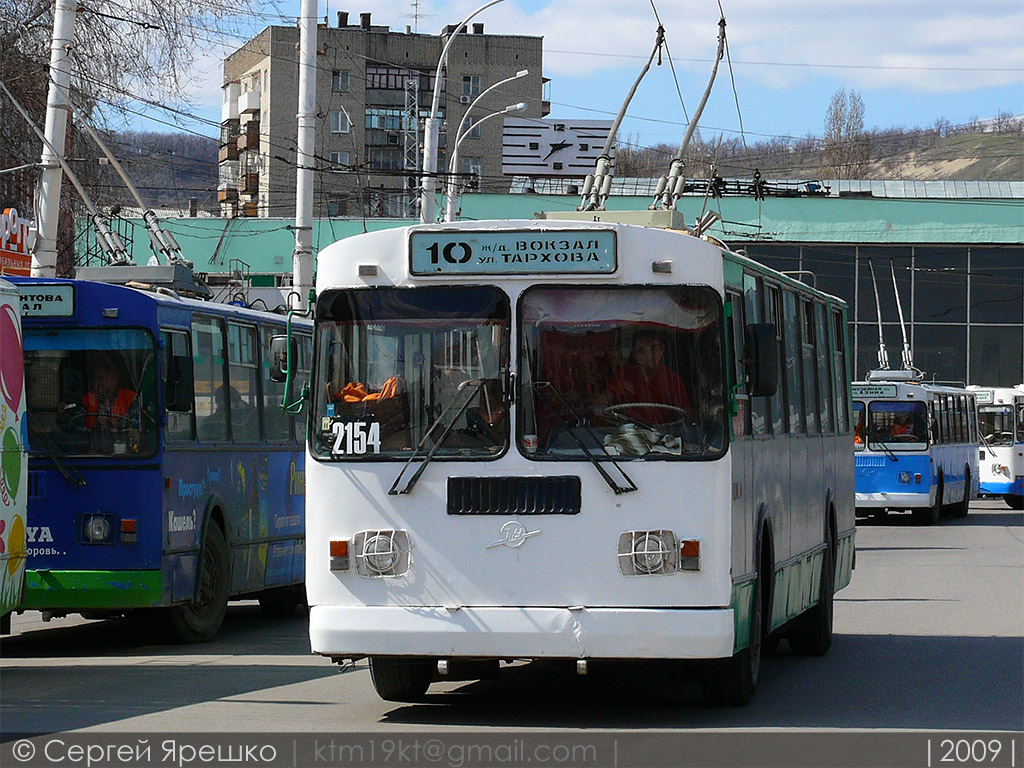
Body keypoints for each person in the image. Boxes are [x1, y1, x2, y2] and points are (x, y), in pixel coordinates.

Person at [601, 331, 691, 426]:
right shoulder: (623, 375)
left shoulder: (671, 378)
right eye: (641, 350)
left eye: (653, 348)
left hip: (665, 435)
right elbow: (601, 404)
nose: (648, 355)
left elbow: (687, 416)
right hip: (630, 435)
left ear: (662, 349)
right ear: (635, 354)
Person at [82, 365, 137, 431]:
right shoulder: (88, 398)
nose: (98, 383)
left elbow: (136, 425)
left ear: (114, 380)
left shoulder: (129, 397)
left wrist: (117, 425)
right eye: (95, 379)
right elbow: (78, 425)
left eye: (102, 379)